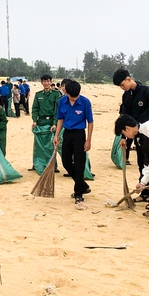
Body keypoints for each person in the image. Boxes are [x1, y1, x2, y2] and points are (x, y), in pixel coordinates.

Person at [112, 69, 149, 205]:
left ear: (128, 79)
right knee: (141, 163)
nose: (123, 88)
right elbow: (124, 118)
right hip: (135, 134)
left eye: (123, 85)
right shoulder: (126, 96)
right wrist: (123, 137)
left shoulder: (147, 91)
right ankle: (144, 193)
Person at [53, 81, 93, 210]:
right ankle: (82, 184)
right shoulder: (61, 102)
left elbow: (90, 122)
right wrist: (57, 135)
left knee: (80, 163)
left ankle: (79, 193)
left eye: (76, 96)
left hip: (80, 135)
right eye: (72, 97)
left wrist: (88, 140)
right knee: (66, 162)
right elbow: (60, 119)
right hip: (67, 134)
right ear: (66, 92)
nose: (74, 99)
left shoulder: (85, 102)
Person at [29, 74, 60, 172]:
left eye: (48, 81)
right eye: (44, 81)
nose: (46, 83)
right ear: (41, 82)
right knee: (38, 145)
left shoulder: (56, 94)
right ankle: (36, 164)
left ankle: (53, 166)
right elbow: (35, 109)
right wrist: (34, 121)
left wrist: (55, 123)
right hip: (41, 122)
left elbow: (57, 110)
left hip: (51, 122)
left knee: (51, 145)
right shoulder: (38, 95)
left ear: (51, 82)